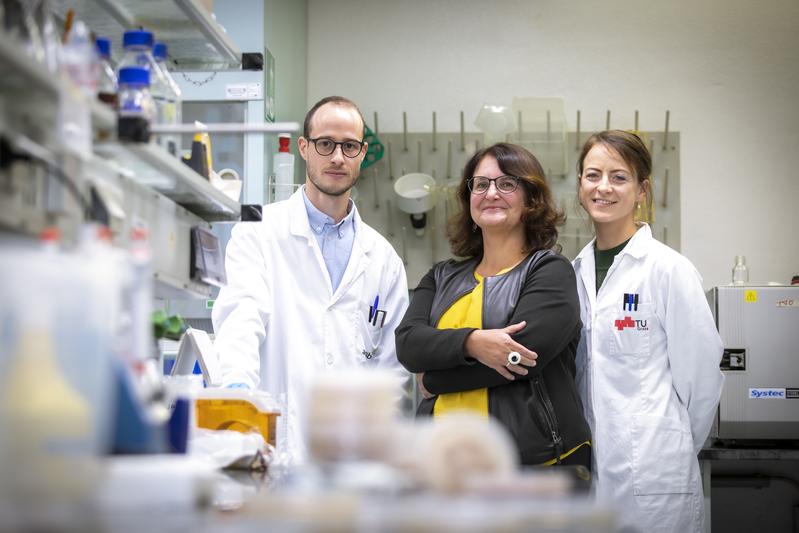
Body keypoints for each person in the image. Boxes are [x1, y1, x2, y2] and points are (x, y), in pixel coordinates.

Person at [212, 96, 409, 462]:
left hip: (355, 463)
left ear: (363, 153)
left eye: (349, 146)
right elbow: (241, 317)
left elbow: (392, 372)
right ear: (304, 148)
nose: (337, 157)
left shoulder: (383, 260)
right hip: (273, 447)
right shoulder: (259, 233)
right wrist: (238, 392)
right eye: (325, 144)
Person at [395, 143, 591, 468]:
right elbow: (409, 345)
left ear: (531, 199)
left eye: (507, 183)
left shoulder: (549, 271)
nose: (491, 193)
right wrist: (472, 343)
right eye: (481, 184)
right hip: (442, 466)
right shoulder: (442, 276)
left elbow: (523, 358)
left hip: (535, 466)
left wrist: (433, 380)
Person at [572, 130, 724, 532]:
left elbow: (702, 379)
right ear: (580, 185)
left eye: (619, 177)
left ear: (642, 190)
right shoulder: (575, 271)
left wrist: (666, 445)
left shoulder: (668, 269)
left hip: (657, 476)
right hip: (595, 474)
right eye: (593, 175)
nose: (603, 187)